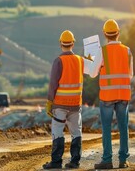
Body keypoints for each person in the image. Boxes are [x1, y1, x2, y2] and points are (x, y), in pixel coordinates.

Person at [43, 30, 101, 169]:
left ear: (60, 44)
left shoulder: (58, 61)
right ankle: (75, 162)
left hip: (60, 105)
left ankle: (56, 162)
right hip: (75, 105)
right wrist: (94, 55)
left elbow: (53, 84)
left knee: (57, 131)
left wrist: (50, 101)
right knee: (76, 132)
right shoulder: (81, 60)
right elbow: (93, 70)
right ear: (73, 43)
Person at [93, 19, 133, 169]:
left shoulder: (101, 51)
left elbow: (93, 73)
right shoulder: (127, 50)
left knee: (106, 128)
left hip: (107, 97)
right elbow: (130, 75)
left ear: (105, 34)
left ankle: (107, 160)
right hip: (123, 95)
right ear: (118, 33)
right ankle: (123, 160)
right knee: (123, 127)